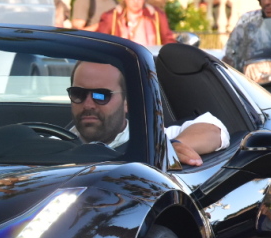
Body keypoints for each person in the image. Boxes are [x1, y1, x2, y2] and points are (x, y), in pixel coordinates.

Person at [71, 60, 228, 168]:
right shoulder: (53, 145)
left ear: (127, 102)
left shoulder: (154, 140)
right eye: (78, 94)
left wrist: (168, 150)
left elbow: (213, 129)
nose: (88, 104)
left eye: (101, 95)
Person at [95, 0, 176, 47]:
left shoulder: (156, 15)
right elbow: (100, 44)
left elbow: (169, 43)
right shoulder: (112, 17)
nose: (135, 1)